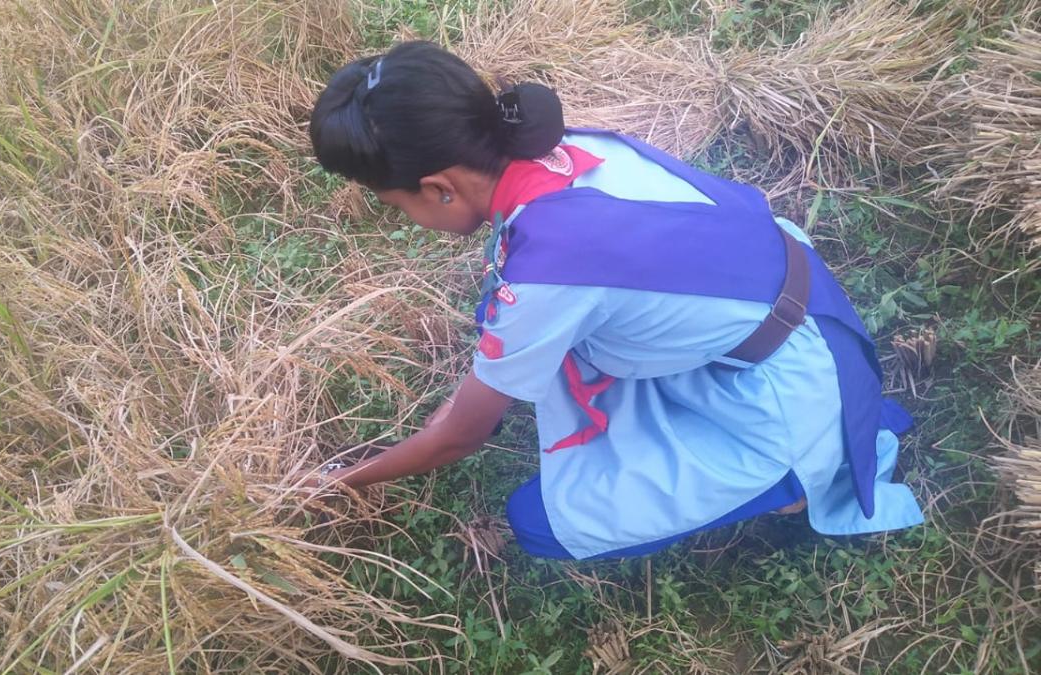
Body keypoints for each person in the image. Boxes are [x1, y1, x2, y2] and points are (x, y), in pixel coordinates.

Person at [306, 41, 923, 560]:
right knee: (518, 333)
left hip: (789, 381)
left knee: (540, 522)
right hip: (797, 303)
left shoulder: (545, 276)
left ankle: (800, 476)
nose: (407, 220)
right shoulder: (561, 150)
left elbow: (458, 438)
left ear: (438, 187)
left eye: (396, 206)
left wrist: (331, 483)